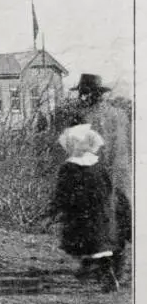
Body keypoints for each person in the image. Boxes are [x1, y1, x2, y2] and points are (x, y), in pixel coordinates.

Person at [69, 73, 131, 279]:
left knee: (93, 222)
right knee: (118, 221)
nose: (81, 97)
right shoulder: (121, 114)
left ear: (88, 94)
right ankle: (118, 269)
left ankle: (102, 270)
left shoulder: (82, 117)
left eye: (83, 93)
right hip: (121, 175)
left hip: (94, 176)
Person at [49, 123, 120, 292]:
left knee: (86, 242)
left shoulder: (69, 167)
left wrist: (55, 210)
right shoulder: (98, 165)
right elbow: (110, 187)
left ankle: (103, 275)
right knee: (98, 244)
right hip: (101, 211)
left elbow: (62, 192)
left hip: (80, 213)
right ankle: (92, 269)